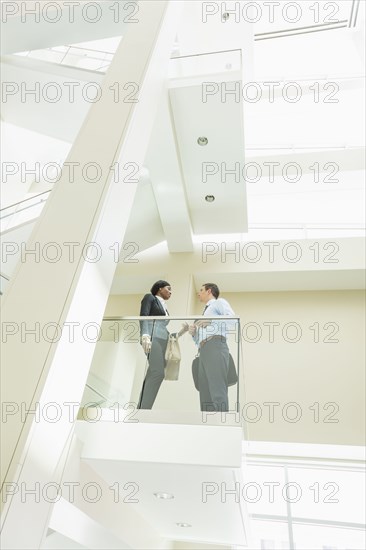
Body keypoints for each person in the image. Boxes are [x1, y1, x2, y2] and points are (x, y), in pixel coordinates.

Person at [188, 283, 235, 412]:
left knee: (217, 387)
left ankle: (223, 423)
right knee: (204, 391)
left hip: (216, 346)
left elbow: (232, 320)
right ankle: (208, 425)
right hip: (203, 350)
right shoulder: (204, 312)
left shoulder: (219, 302)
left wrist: (211, 321)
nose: (198, 293)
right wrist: (194, 334)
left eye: (201, 290)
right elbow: (200, 340)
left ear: (209, 291)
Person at [137, 280, 172, 409]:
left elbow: (163, 327)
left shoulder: (165, 307)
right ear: (159, 288)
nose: (170, 292)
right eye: (168, 288)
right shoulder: (150, 297)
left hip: (163, 341)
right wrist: (145, 335)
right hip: (152, 337)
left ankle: (142, 408)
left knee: (153, 372)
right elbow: (144, 315)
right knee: (158, 372)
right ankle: (144, 408)